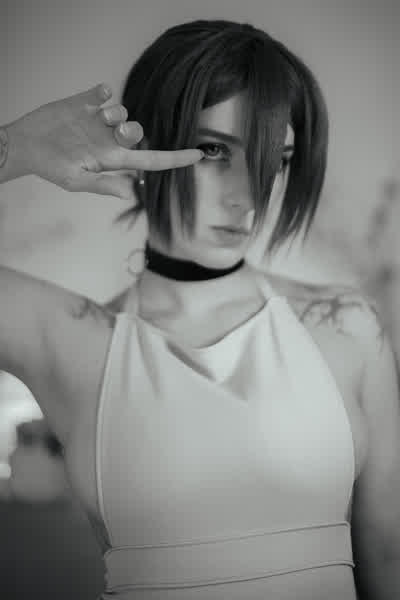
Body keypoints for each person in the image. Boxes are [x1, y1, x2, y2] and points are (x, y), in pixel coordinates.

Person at [0, 18, 399, 600]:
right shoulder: (71, 340)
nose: (248, 194)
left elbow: (388, 558)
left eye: (276, 158)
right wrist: (17, 147)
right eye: (213, 149)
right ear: (142, 144)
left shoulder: (347, 327)